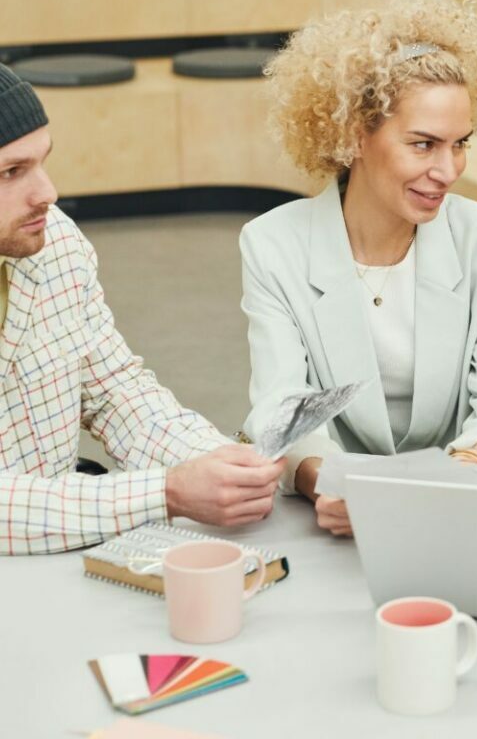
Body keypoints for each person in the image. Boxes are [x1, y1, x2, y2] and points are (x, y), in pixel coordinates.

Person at [241, 0, 477, 537]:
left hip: (460, 515)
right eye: (423, 145)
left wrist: (461, 475)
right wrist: (328, 481)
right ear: (356, 137)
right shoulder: (272, 244)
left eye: (460, 144)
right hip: (332, 518)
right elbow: (281, 408)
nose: (448, 171)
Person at [0, 66, 284, 555]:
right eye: (11, 172)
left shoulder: (55, 242)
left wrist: (222, 463)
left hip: (59, 547)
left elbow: (116, 393)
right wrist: (167, 492)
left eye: (43, 162)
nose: (47, 193)